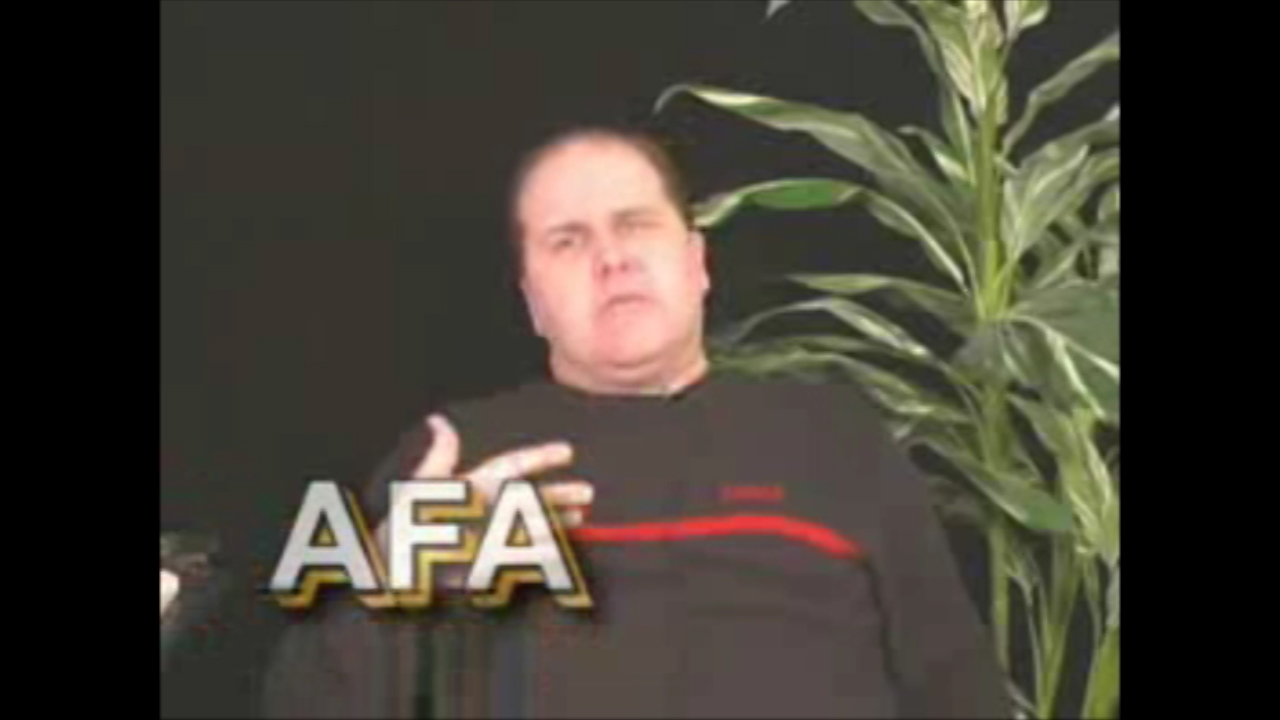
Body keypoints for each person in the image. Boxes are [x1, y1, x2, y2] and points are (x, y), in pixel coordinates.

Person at [260, 127, 1010, 718]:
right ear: (532, 301)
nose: (612, 258)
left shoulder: (833, 438)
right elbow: (300, 705)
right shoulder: (455, 456)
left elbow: (957, 685)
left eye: (636, 224)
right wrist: (386, 587)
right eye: (568, 241)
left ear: (698, 263)